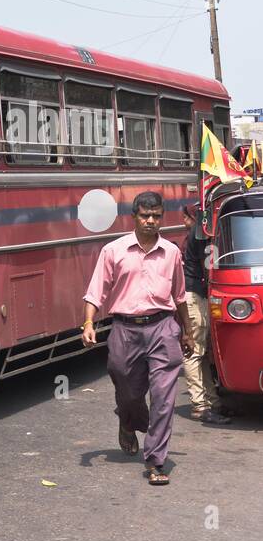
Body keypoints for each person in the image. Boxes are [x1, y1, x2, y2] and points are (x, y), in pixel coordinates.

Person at [82, 192, 194, 486]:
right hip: (125, 330)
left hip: (162, 329)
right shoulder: (113, 250)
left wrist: (187, 331)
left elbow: (179, 295)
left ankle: (156, 460)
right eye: (145, 215)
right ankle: (128, 420)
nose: (150, 221)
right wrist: (89, 322)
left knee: (163, 398)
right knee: (127, 390)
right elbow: (96, 291)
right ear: (134, 216)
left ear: (161, 217)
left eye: (156, 216)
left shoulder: (171, 252)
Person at [181, 203, 230, 424]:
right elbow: (208, 267)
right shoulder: (201, 233)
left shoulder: (204, 231)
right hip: (195, 294)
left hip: (198, 293)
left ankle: (213, 402)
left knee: (202, 352)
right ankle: (199, 406)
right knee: (195, 350)